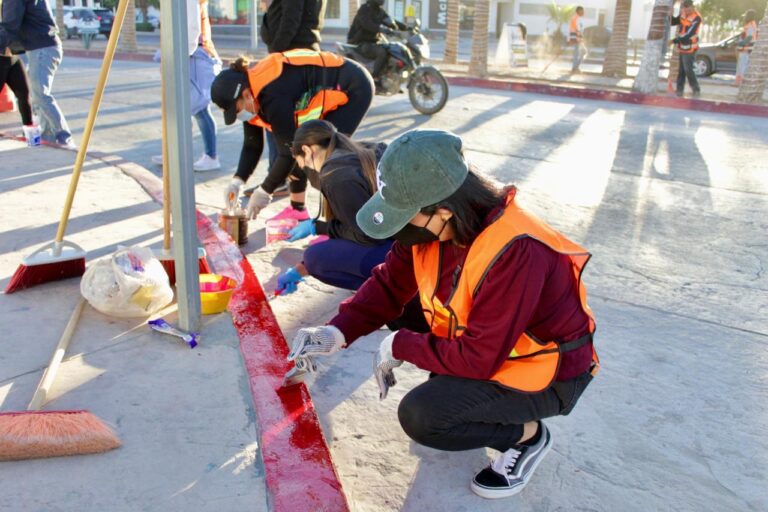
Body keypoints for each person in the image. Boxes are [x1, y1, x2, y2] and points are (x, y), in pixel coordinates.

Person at [286, 129, 599, 499]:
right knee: (408, 317)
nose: (400, 229)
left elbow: (480, 357)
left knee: (425, 416)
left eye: (406, 216)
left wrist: (400, 344)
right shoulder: (438, 226)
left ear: (444, 210)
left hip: (548, 371)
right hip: (495, 348)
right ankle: (471, 395)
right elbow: (388, 286)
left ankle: (528, 435)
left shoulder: (517, 250)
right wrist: (336, 333)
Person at [211, 50, 374, 222]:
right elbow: (252, 145)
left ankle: (341, 224)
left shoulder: (272, 94)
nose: (238, 115)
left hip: (352, 88)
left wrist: (265, 190)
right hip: (334, 89)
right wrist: (238, 181)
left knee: (325, 159)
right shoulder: (251, 94)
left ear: (245, 95)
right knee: (300, 148)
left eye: (236, 110)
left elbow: (287, 152)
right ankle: (298, 211)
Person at [273, 119, 391, 295]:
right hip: (412, 238)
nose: (308, 169)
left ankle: (384, 293)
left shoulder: (337, 176)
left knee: (315, 258)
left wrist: (318, 228)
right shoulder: (363, 150)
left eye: (304, 164)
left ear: (306, 150)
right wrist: (300, 270)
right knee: (319, 255)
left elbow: (366, 235)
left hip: (399, 252)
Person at [152, 0, 222, 171]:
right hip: (189, 53)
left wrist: (180, 55)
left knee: (198, 108)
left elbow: (191, 29)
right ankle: (176, 152)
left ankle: (210, 155)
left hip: (194, 55)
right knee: (186, 108)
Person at [0, 0, 75, 148]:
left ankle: (63, 137)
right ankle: (48, 136)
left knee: (40, 94)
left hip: (42, 48)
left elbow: (10, 26)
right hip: (42, 46)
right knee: (36, 95)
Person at [347, 0, 406, 89]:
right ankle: (375, 78)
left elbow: (390, 20)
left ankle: (392, 81)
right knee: (381, 52)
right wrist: (382, 29)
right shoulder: (364, 9)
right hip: (361, 42)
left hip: (374, 42)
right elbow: (367, 24)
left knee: (392, 50)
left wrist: (405, 27)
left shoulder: (380, 11)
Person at [670, 0, 702, 98]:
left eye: (688, 8)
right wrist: (670, 13)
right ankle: (679, 91)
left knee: (688, 70)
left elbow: (689, 34)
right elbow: (673, 22)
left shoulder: (697, 18)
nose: (686, 10)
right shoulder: (683, 14)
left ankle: (696, 90)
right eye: (685, 8)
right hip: (682, 47)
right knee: (682, 70)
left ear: (692, 7)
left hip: (691, 48)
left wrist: (674, 40)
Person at [735, 9, 758, 87]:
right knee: (742, 66)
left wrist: (740, 43)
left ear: (749, 16)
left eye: (745, 16)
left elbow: (749, 37)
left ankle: (742, 83)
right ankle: (739, 83)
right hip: (745, 49)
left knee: (743, 67)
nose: (744, 18)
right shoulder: (750, 24)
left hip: (746, 49)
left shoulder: (751, 25)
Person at [568, 6, 587, 73]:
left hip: (575, 38)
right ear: (578, 11)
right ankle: (575, 68)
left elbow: (574, 29)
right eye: (582, 11)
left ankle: (575, 67)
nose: (584, 12)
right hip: (577, 38)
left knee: (578, 53)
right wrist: (579, 38)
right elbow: (577, 29)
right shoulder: (577, 18)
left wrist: (571, 39)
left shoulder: (576, 18)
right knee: (582, 52)